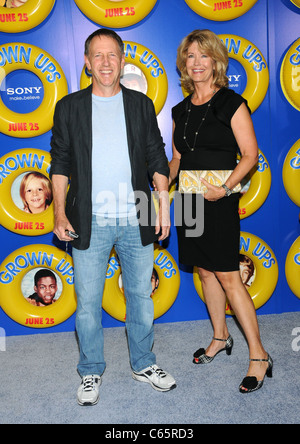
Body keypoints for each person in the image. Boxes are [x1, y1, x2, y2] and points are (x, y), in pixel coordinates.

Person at [50, 28, 176, 406]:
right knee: (88, 302)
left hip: (136, 217)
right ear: (87, 63)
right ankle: (90, 371)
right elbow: (60, 163)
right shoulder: (69, 108)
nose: (106, 62)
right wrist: (58, 212)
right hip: (88, 220)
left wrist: (164, 204)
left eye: (112, 55)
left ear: (122, 61)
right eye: (97, 55)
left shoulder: (140, 104)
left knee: (140, 295)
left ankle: (144, 363)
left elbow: (157, 156)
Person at [169, 29, 273, 394]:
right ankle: (220, 336)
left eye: (203, 56)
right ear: (184, 63)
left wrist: (225, 188)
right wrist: (156, 179)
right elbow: (178, 159)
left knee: (229, 275)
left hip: (219, 200)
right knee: (204, 271)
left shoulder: (231, 102)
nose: (196, 63)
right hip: (189, 201)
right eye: (190, 56)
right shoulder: (179, 109)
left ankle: (259, 355)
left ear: (216, 62)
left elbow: (250, 155)